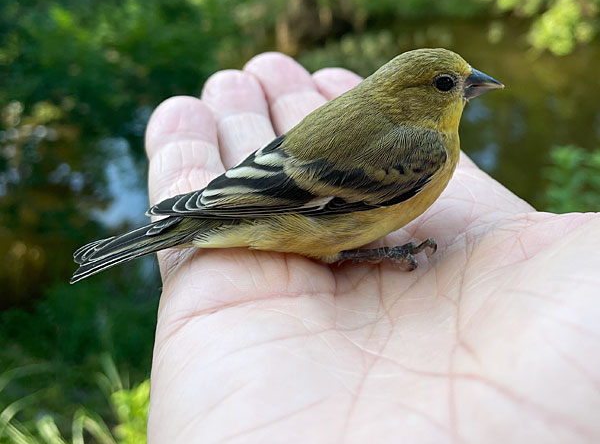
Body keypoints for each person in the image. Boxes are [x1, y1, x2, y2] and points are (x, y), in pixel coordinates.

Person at [145, 52, 600, 443]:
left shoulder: (383, 122)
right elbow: (310, 200)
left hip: (271, 184)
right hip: (287, 214)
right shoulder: (423, 150)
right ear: (404, 93)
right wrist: (384, 250)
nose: (472, 85)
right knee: (338, 247)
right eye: (447, 85)